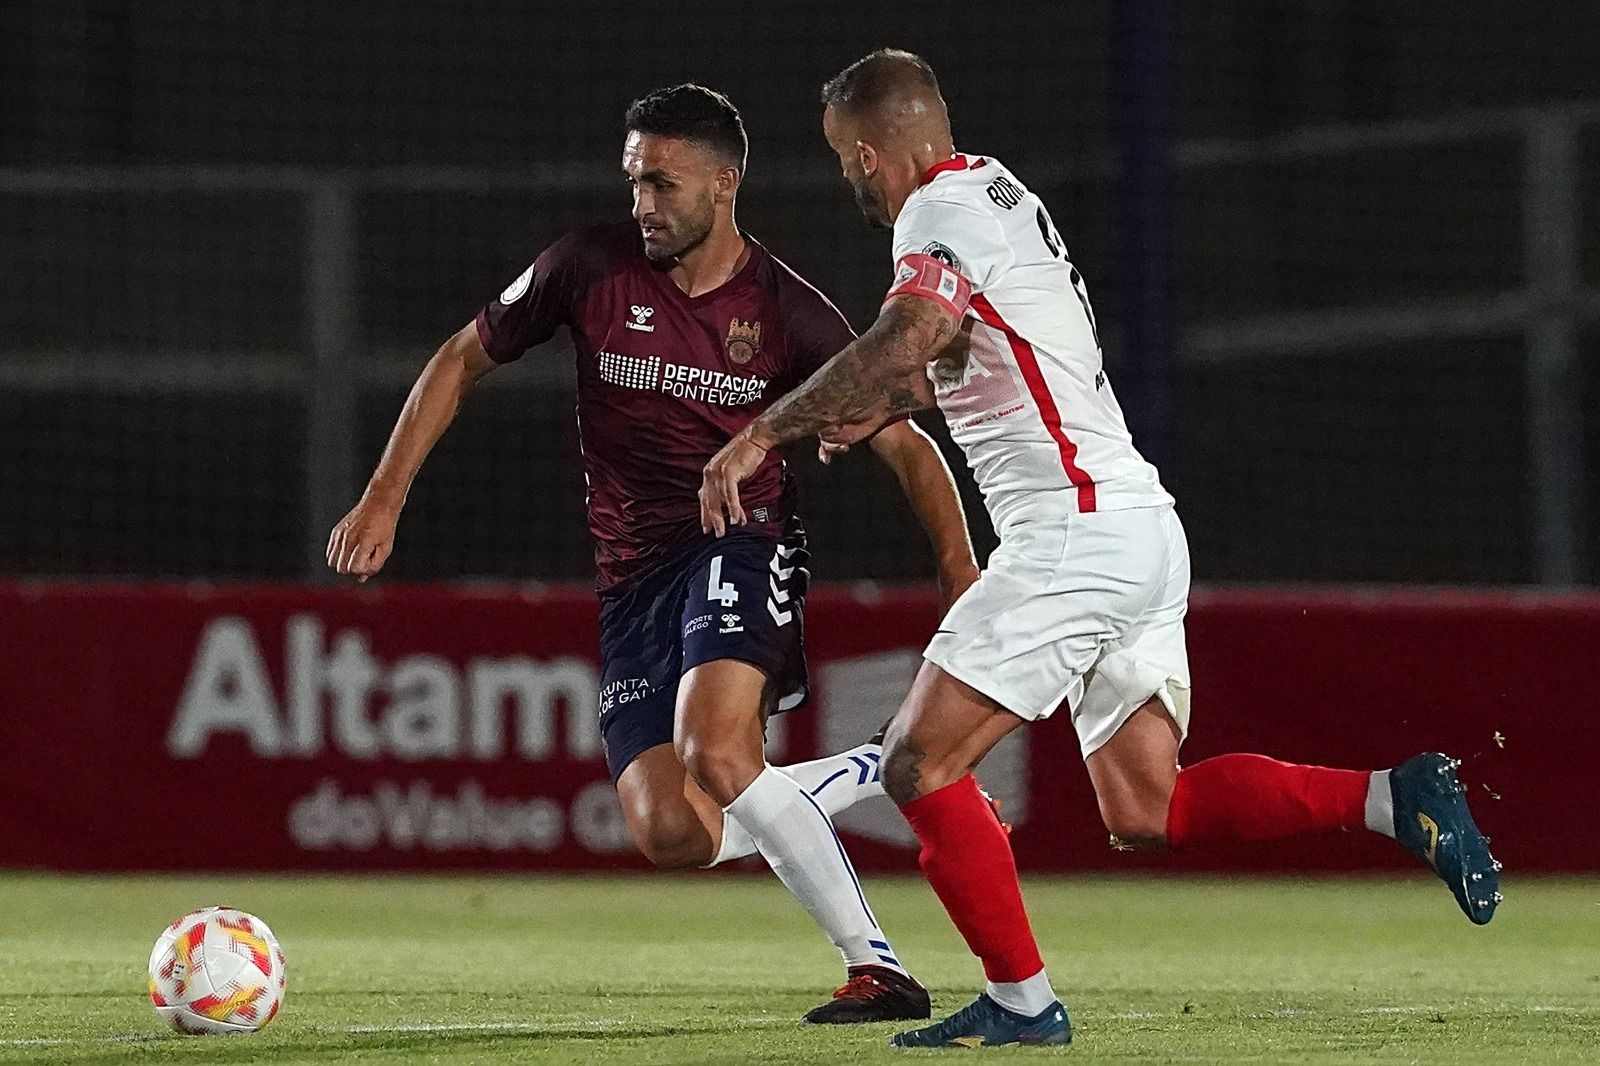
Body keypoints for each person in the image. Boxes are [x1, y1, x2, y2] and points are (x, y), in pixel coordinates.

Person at [699, 50, 1503, 1048]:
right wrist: (888, 401)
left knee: (917, 763)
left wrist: (765, 430)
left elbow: (911, 331)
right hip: (1135, 524)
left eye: (841, 159)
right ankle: (1393, 796)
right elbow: (984, 355)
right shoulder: (997, 192)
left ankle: (1022, 1002)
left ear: (869, 154)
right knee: (1145, 804)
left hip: (1070, 533)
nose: (846, 178)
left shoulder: (935, 214)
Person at [327, 83, 983, 1024]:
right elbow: (459, 358)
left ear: (724, 184)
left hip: (740, 541)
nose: (642, 202)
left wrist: (957, 565)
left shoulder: (785, 310)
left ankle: (877, 969)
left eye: (662, 183)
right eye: (634, 181)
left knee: (717, 749)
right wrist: (384, 496)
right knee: (673, 830)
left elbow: (904, 443)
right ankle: (878, 766)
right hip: (632, 577)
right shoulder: (586, 266)